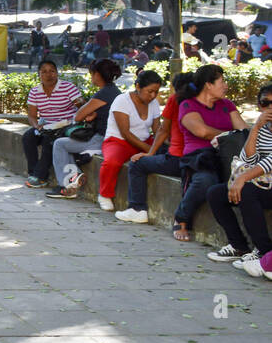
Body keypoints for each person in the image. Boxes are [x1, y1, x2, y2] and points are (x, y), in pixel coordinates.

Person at [170, 63, 248, 242]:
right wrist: (229, 136)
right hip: (199, 157)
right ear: (208, 84)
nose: (226, 86)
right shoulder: (188, 105)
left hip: (227, 156)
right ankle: (181, 218)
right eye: (222, 82)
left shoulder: (227, 105)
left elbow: (243, 131)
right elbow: (202, 131)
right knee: (206, 181)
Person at [205, 82, 272, 274]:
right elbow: (247, 159)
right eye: (265, 103)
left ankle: (264, 250)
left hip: (262, 184)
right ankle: (238, 245)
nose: (269, 107)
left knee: (247, 191)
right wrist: (256, 128)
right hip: (262, 182)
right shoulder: (263, 129)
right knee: (216, 193)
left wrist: (242, 179)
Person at [116, 72, 194, 225]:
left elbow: (163, 130)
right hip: (198, 159)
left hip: (178, 159)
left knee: (136, 164)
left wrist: (150, 153)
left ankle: (137, 209)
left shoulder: (176, 99)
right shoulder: (209, 101)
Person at [45, 59, 123, 200]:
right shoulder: (115, 91)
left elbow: (79, 115)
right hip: (110, 138)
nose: (91, 77)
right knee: (65, 143)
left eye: (92, 74)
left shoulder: (104, 93)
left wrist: (90, 113)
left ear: (98, 75)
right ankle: (73, 177)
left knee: (60, 144)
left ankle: (67, 186)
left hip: (101, 139)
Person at [96, 70, 163, 211]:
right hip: (119, 141)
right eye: (149, 91)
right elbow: (125, 133)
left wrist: (158, 146)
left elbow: (158, 130)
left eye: (156, 92)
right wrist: (150, 150)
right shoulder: (122, 100)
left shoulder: (154, 103)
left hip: (145, 140)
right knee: (112, 162)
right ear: (138, 87)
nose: (153, 96)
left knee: (167, 152)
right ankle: (104, 194)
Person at [22, 59, 84, 187]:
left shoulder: (68, 87)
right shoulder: (35, 91)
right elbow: (32, 115)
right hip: (46, 125)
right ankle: (33, 172)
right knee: (28, 137)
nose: (48, 75)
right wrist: (37, 126)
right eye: (44, 72)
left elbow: (82, 106)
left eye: (52, 71)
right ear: (39, 74)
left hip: (65, 125)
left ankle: (41, 177)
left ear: (57, 73)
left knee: (48, 141)